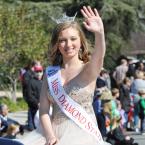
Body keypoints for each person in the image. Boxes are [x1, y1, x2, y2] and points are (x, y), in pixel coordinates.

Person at [39, 6, 110, 145]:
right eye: (62, 40)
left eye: (73, 39)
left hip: (83, 135)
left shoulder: (88, 69)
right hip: (52, 135)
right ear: (57, 45)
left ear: (81, 42)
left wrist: (100, 33)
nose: (68, 44)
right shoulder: (50, 73)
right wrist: (50, 136)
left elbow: (99, 56)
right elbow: (43, 111)